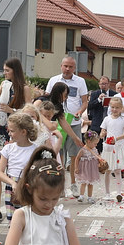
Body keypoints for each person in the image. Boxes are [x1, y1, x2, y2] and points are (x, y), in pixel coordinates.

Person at [45, 57, 88, 197]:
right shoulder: (53, 80)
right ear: (61, 66)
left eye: (70, 67)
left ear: (74, 68)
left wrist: (80, 112)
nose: (67, 69)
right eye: (65, 66)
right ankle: (60, 185)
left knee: (74, 154)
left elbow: (84, 101)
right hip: (53, 127)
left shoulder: (80, 81)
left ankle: (73, 184)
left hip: (73, 123)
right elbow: (45, 102)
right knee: (59, 155)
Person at [0, 112, 39, 219]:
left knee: (30, 218)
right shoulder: (8, 148)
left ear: (23, 132)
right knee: (14, 219)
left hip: (29, 187)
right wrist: (12, 183)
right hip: (12, 188)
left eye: (12, 131)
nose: (9, 133)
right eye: (9, 130)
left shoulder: (35, 150)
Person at [0, 58, 32, 154]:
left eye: (7, 70)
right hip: (0, 125)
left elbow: (29, 111)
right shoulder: (4, 84)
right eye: (4, 70)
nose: (4, 73)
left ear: (15, 71)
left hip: (15, 127)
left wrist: (12, 110)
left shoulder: (24, 89)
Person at [100, 96, 124, 201]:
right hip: (109, 147)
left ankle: (119, 192)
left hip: (118, 146)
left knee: (117, 170)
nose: (115, 109)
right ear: (109, 107)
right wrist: (103, 133)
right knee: (107, 170)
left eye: (117, 107)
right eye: (112, 107)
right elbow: (101, 133)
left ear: (121, 108)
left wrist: (116, 139)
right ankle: (107, 193)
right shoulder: (107, 119)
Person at [84, 76, 115, 148]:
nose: (103, 86)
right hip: (97, 122)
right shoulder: (94, 94)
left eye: (105, 84)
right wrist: (99, 99)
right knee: (96, 144)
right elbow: (90, 106)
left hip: (110, 121)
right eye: (101, 84)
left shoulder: (114, 94)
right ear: (99, 84)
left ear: (109, 84)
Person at [74, 130, 101, 203]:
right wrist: (76, 167)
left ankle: (89, 197)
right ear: (89, 141)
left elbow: (97, 156)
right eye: (95, 143)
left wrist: (100, 162)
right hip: (84, 169)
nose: (96, 145)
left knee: (90, 183)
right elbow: (77, 158)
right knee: (84, 182)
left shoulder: (94, 149)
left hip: (92, 169)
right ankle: (81, 196)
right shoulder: (83, 150)